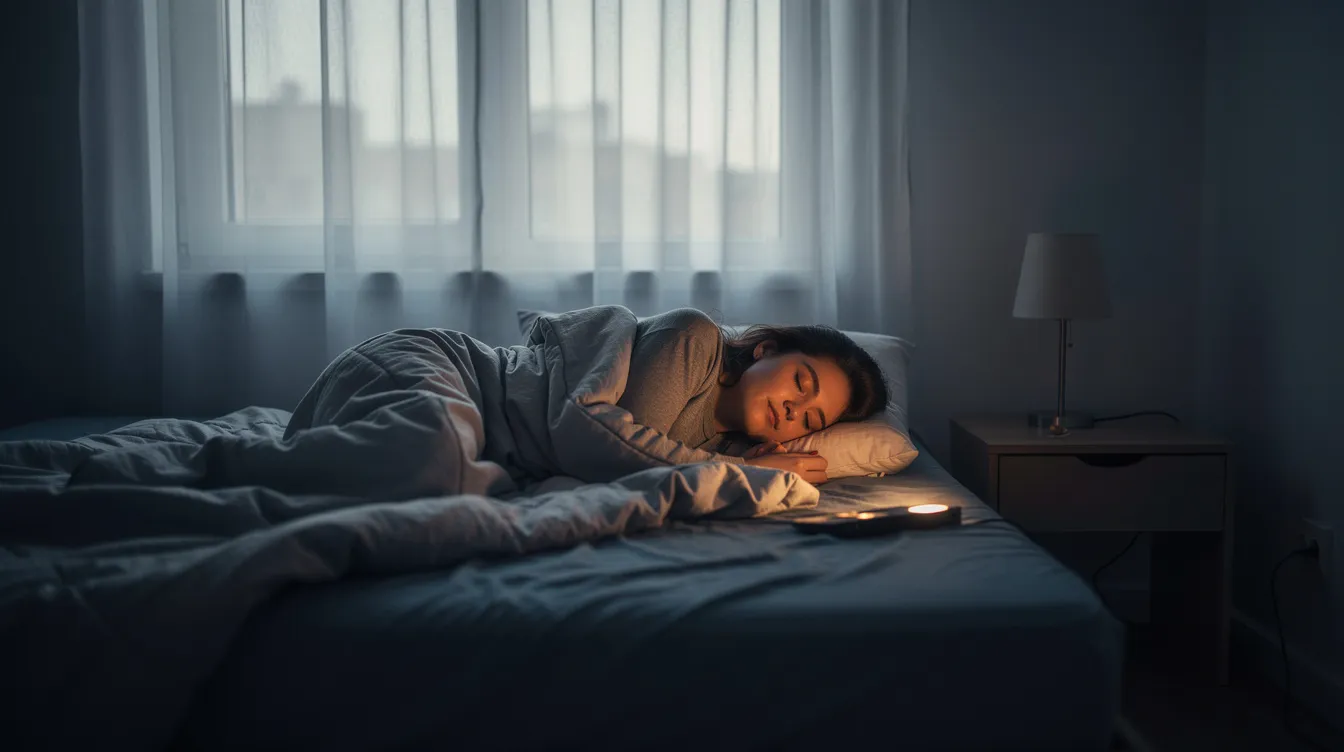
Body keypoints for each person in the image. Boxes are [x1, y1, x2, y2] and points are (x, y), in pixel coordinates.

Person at [617, 308, 889, 486]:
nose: (793, 411)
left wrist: (748, 464)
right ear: (766, 350)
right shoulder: (692, 336)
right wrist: (747, 470)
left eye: (809, 421)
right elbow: (621, 451)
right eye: (799, 383)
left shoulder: (727, 449)